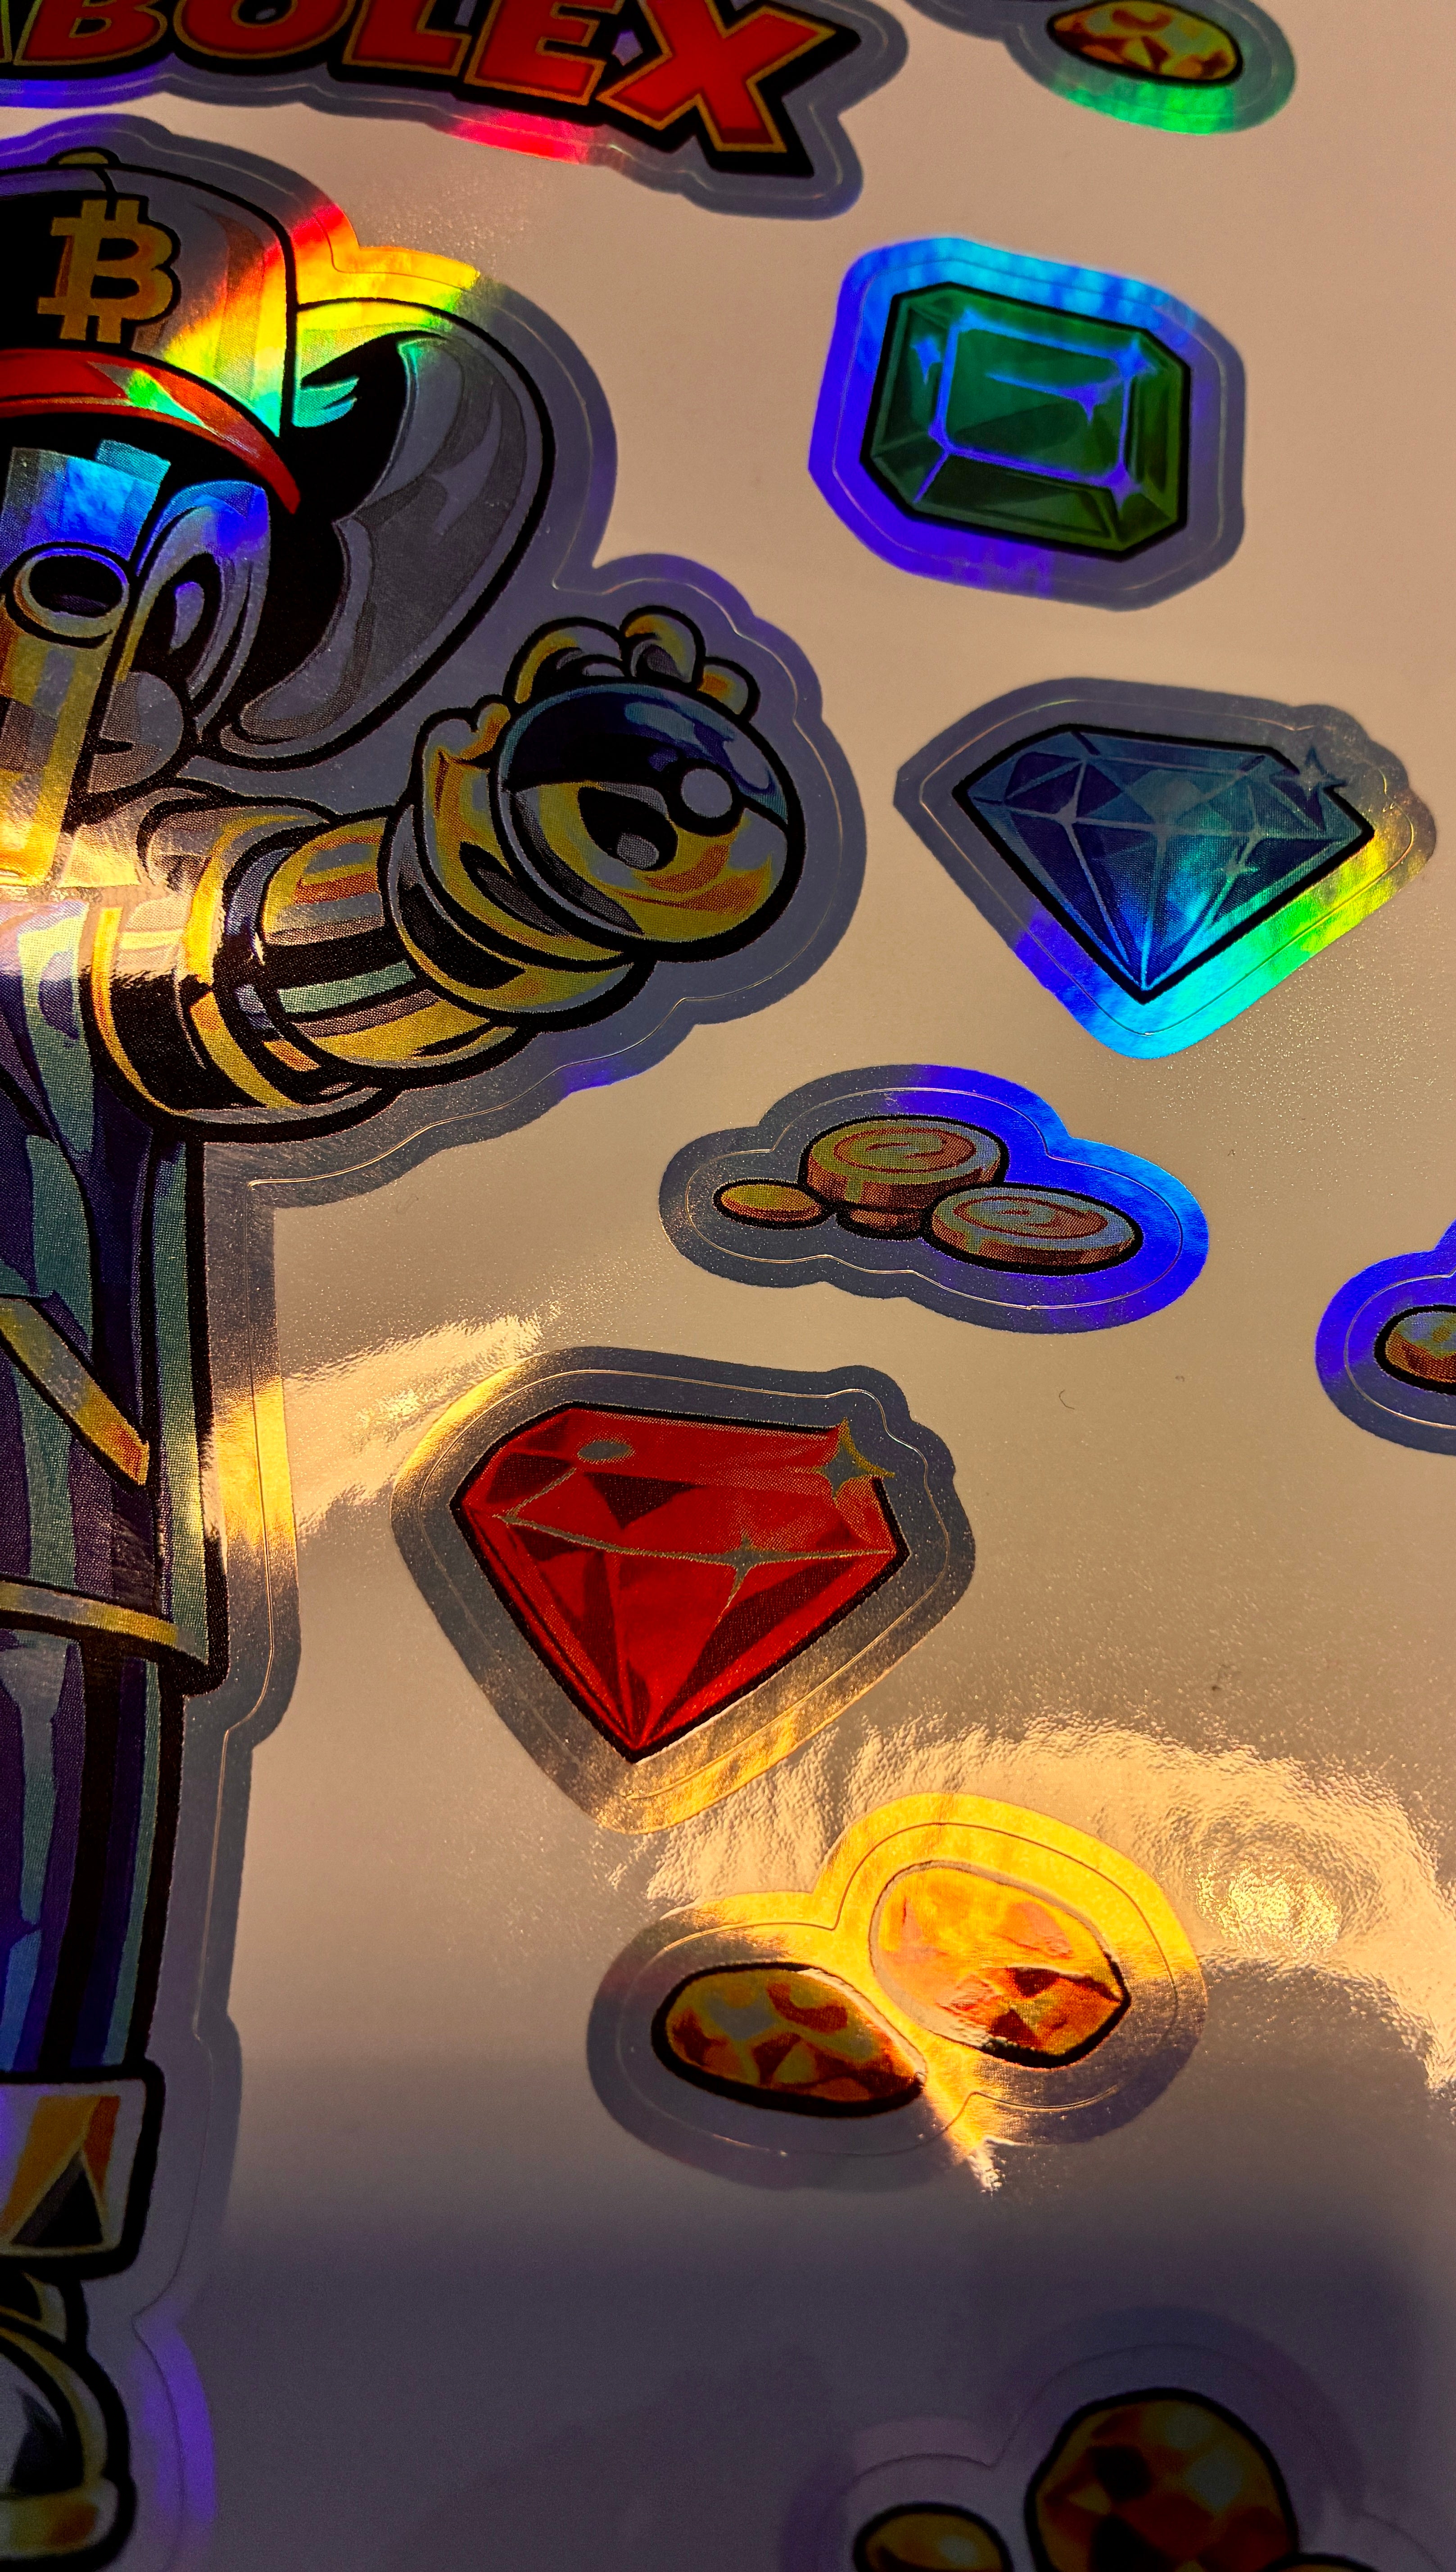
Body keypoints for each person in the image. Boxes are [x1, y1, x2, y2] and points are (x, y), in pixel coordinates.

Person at [0, 138, 804, 2562]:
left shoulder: (107, 919)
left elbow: (302, 957)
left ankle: (15, 2329)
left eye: (149, 618)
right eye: (52, 577)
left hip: (49, 1562)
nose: (78, 660)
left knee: (37, 1954)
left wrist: (520, 866)